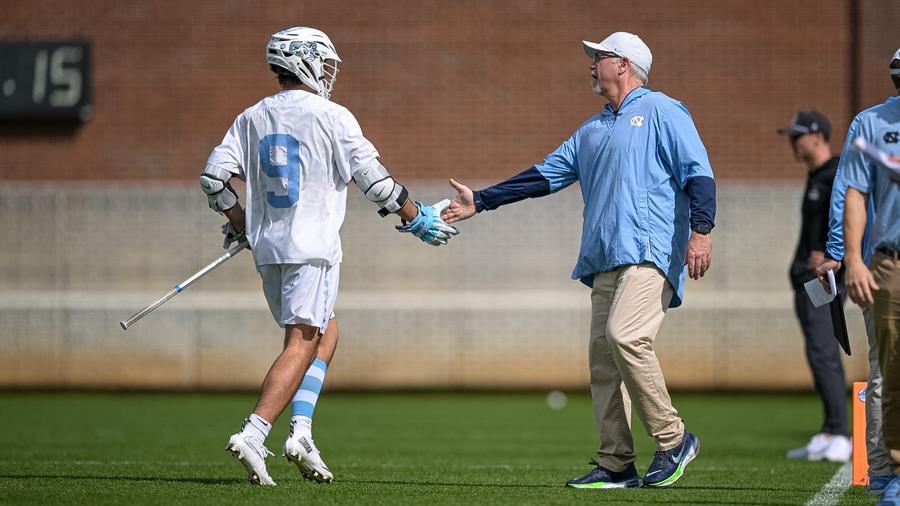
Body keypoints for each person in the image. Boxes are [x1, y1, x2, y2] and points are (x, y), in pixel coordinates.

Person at [442, 32, 715, 489]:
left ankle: (674, 439)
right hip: (604, 260)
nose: (591, 64)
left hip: (651, 252)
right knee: (604, 363)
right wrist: (483, 200)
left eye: (600, 57)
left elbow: (699, 172)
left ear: (625, 64)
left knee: (625, 336)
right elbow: (545, 175)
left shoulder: (663, 110)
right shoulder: (591, 129)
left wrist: (702, 232)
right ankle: (616, 462)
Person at [199, 26, 458, 486]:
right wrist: (416, 217)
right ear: (306, 61)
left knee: (326, 332)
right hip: (312, 249)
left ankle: (301, 432)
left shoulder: (250, 116)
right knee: (302, 340)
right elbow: (375, 182)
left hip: (269, 251)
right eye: (324, 61)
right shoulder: (332, 116)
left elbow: (213, 179)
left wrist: (240, 220)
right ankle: (255, 432)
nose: (329, 72)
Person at [841, 48, 900, 506]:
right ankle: (891, 470)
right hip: (889, 262)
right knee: (892, 370)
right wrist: (852, 261)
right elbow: (854, 193)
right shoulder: (872, 124)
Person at [776, 111, 852, 462]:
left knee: (823, 350)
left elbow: (852, 215)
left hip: (824, 277)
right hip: (806, 280)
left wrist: (830, 252)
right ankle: (829, 429)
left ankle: (840, 433)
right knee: (816, 351)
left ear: (818, 135)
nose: (793, 143)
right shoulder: (816, 175)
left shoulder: (836, 173)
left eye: (798, 135)